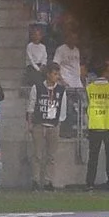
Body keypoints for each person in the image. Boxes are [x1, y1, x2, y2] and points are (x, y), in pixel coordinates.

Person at [29, 61, 68, 191]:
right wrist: (30, 124)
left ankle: (48, 181)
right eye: (55, 74)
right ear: (48, 74)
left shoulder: (61, 90)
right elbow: (31, 106)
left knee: (51, 156)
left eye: (58, 74)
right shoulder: (37, 87)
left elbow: (62, 109)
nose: (57, 76)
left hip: (53, 125)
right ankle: (35, 180)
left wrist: (59, 125)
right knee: (37, 155)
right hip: (39, 124)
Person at [84, 60, 109, 189]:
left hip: (94, 125)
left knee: (92, 156)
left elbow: (86, 105)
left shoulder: (89, 88)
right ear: (106, 71)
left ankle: (89, 184)